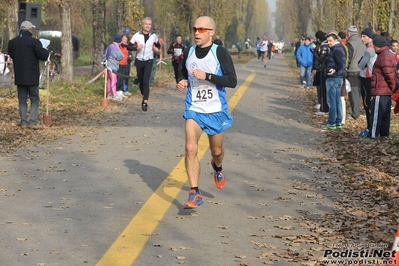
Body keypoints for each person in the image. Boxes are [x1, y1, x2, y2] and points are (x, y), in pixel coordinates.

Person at [176, 16, 237, 209]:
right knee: (190, 147)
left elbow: (232, 81)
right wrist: (181, 80)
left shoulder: (220, 53)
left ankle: (217, 166)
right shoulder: (189, 51)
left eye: (202, 29)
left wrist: (208, 76)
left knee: (216, 151)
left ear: (211, 32)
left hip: (215, 110)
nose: (196, 32)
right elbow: (180, 70)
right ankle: (194, 192)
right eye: (195, 28)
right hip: (194, 108)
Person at [7, 21, 49, 129]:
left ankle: (24, 122)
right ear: (30, 30)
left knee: (22, 99)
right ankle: (33, 122)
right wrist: (46, 50)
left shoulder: (12, 42)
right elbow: (43, 56)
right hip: (32, 76)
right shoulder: (34, 42)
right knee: (34, 98)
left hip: (20, 76)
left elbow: (11, 54)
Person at [368, 35, 397, 141]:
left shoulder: (383, 56)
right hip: (386, 90)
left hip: (380, 89)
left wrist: (393, 86)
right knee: (385, 114)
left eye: (374, 46)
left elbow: (389, 74)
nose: (373, 48)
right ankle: (384, 134)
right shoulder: (388, 54)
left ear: (378, 46)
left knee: (376, 114)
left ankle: (373, 134)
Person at [129, 17, 161, 111]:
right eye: (146, 24)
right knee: (141, 80)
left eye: (149, 24)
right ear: (142, 25)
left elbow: (158, 46)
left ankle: (145, 102)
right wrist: (136, 47)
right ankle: (144, 95)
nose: (148, 26)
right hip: (139, 60)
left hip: (149, 60)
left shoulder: (153, 36)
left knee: (146, 81)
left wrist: (156, 49)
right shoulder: (137, 35)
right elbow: (129, 47)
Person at [321, 31, 346, 130]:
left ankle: (332, 122)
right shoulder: (339, 48)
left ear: (336, 40)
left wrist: (333, 69)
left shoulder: (336, 49)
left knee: (332, 101)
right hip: (338, 78)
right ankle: (338, 121)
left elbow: (340, 64)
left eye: (330, 41)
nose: (329, 43)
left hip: (333, 78)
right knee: (337, 100)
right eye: (327, 41)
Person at [357, 28, 377, 137]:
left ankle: (369, 129)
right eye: (361, 36)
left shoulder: (369, 49)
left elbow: (360, 65)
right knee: (370, 105)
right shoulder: (373, 48)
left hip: (367, 80)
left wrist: (360, 61)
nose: (362, 38)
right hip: (371, 79)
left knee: (367, 105)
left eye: (364, 36)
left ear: (370, 37)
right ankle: (371, 128)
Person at [346, 26, 366, 121]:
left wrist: (345, 68)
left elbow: (348, 59)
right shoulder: (362, 42)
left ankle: (355, 113)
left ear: (349, 33)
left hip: (352, 70)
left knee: (353, 93)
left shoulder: (350, 43)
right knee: (360, 92)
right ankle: (362, 111)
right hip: (361, 70)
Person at [312, 31, 329, 114]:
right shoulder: (321, 45)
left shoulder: (324, 46)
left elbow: (322, 59)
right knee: (321, 89)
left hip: (323, 69)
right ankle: (323, 106)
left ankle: (324, 108)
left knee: (323, 90)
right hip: (322, 69)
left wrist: (316, 53)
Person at [102, 34, 123, 101]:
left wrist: (104, 63)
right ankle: (114, 95)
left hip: (108, 65)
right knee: (114, 80)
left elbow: (104, 55)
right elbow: (120, 56)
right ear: (119, 41)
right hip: (113, 65)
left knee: (109, 80)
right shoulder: (116, 47)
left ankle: (109, 94)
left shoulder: (109, 46)